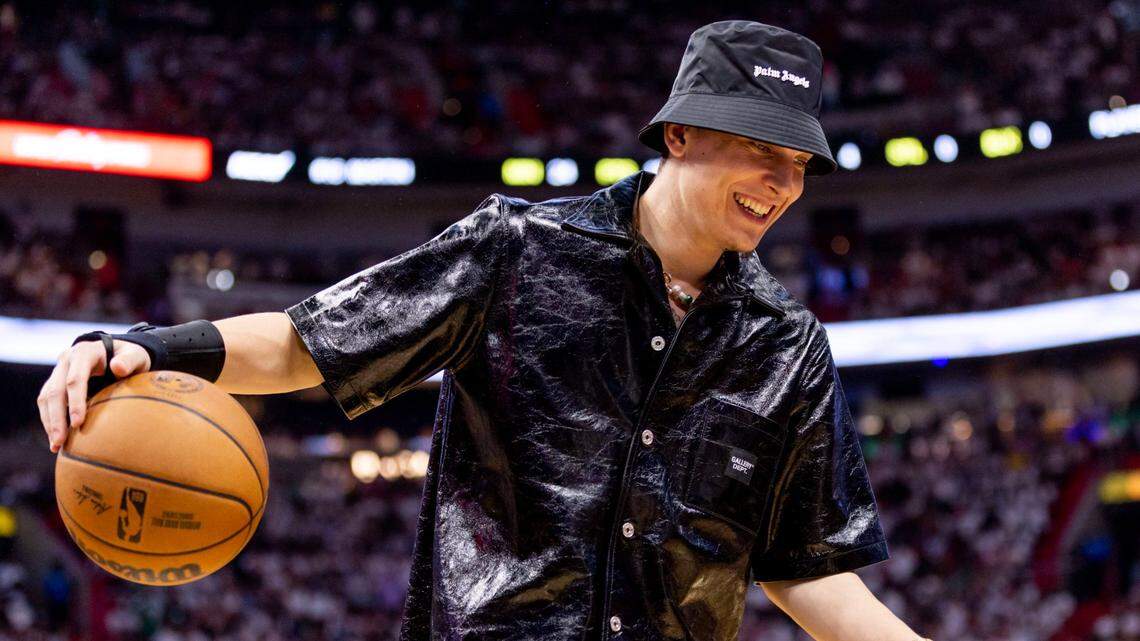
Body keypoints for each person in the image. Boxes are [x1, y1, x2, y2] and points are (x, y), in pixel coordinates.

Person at [38, 21, 933, 641]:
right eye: (760, 152)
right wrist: (151, 347)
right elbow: (317, 341)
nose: (782, 184)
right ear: (683, 133)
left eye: (798, 165)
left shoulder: (790, 346)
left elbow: (804, 567)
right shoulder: (515, 250)